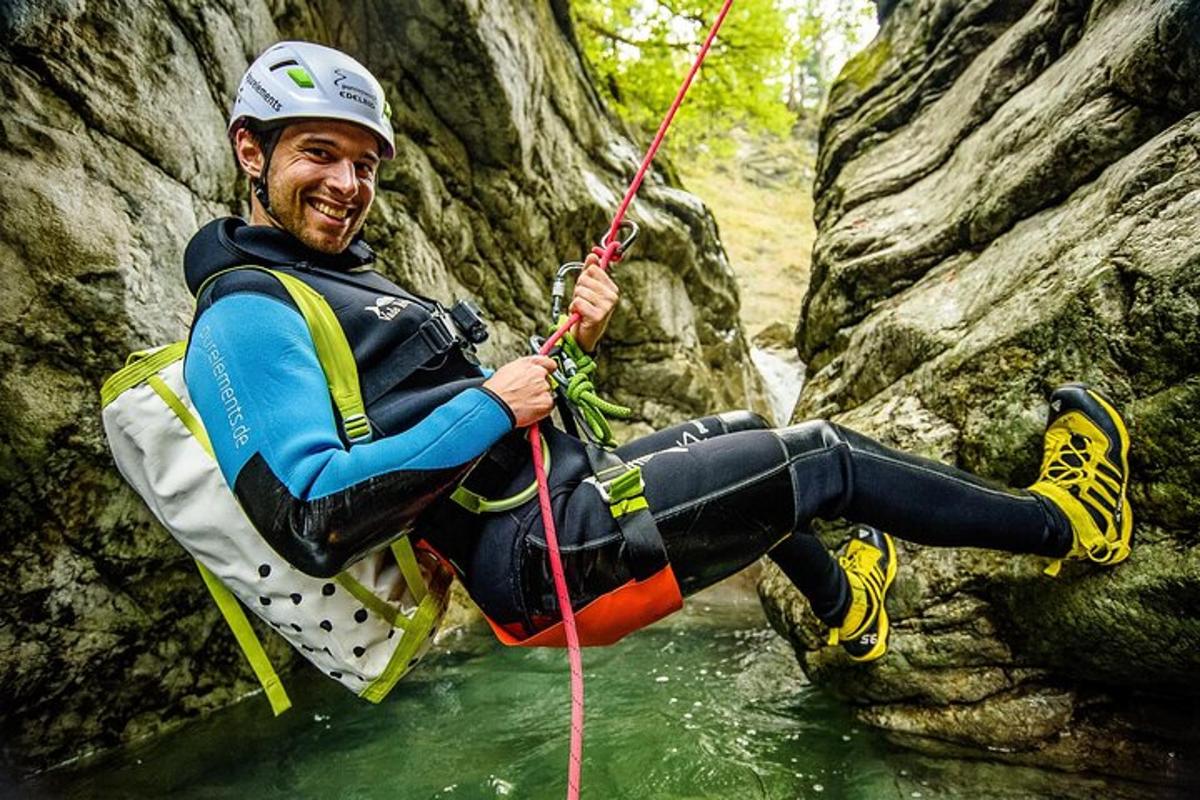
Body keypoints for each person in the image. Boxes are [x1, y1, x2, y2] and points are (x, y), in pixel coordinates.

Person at [183, 41, 1133, 671]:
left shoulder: (339, 279)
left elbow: (426, 417)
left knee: (743, 434)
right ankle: (1072, 525)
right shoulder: (245, 311)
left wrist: (570, 350)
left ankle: (850, 608)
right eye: (318, 154)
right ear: (251, 151)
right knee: (821, 460)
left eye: (365, 165)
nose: (347, 185)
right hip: (544, 562)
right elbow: (309, 514)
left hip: (552, 510)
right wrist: (491, 404)